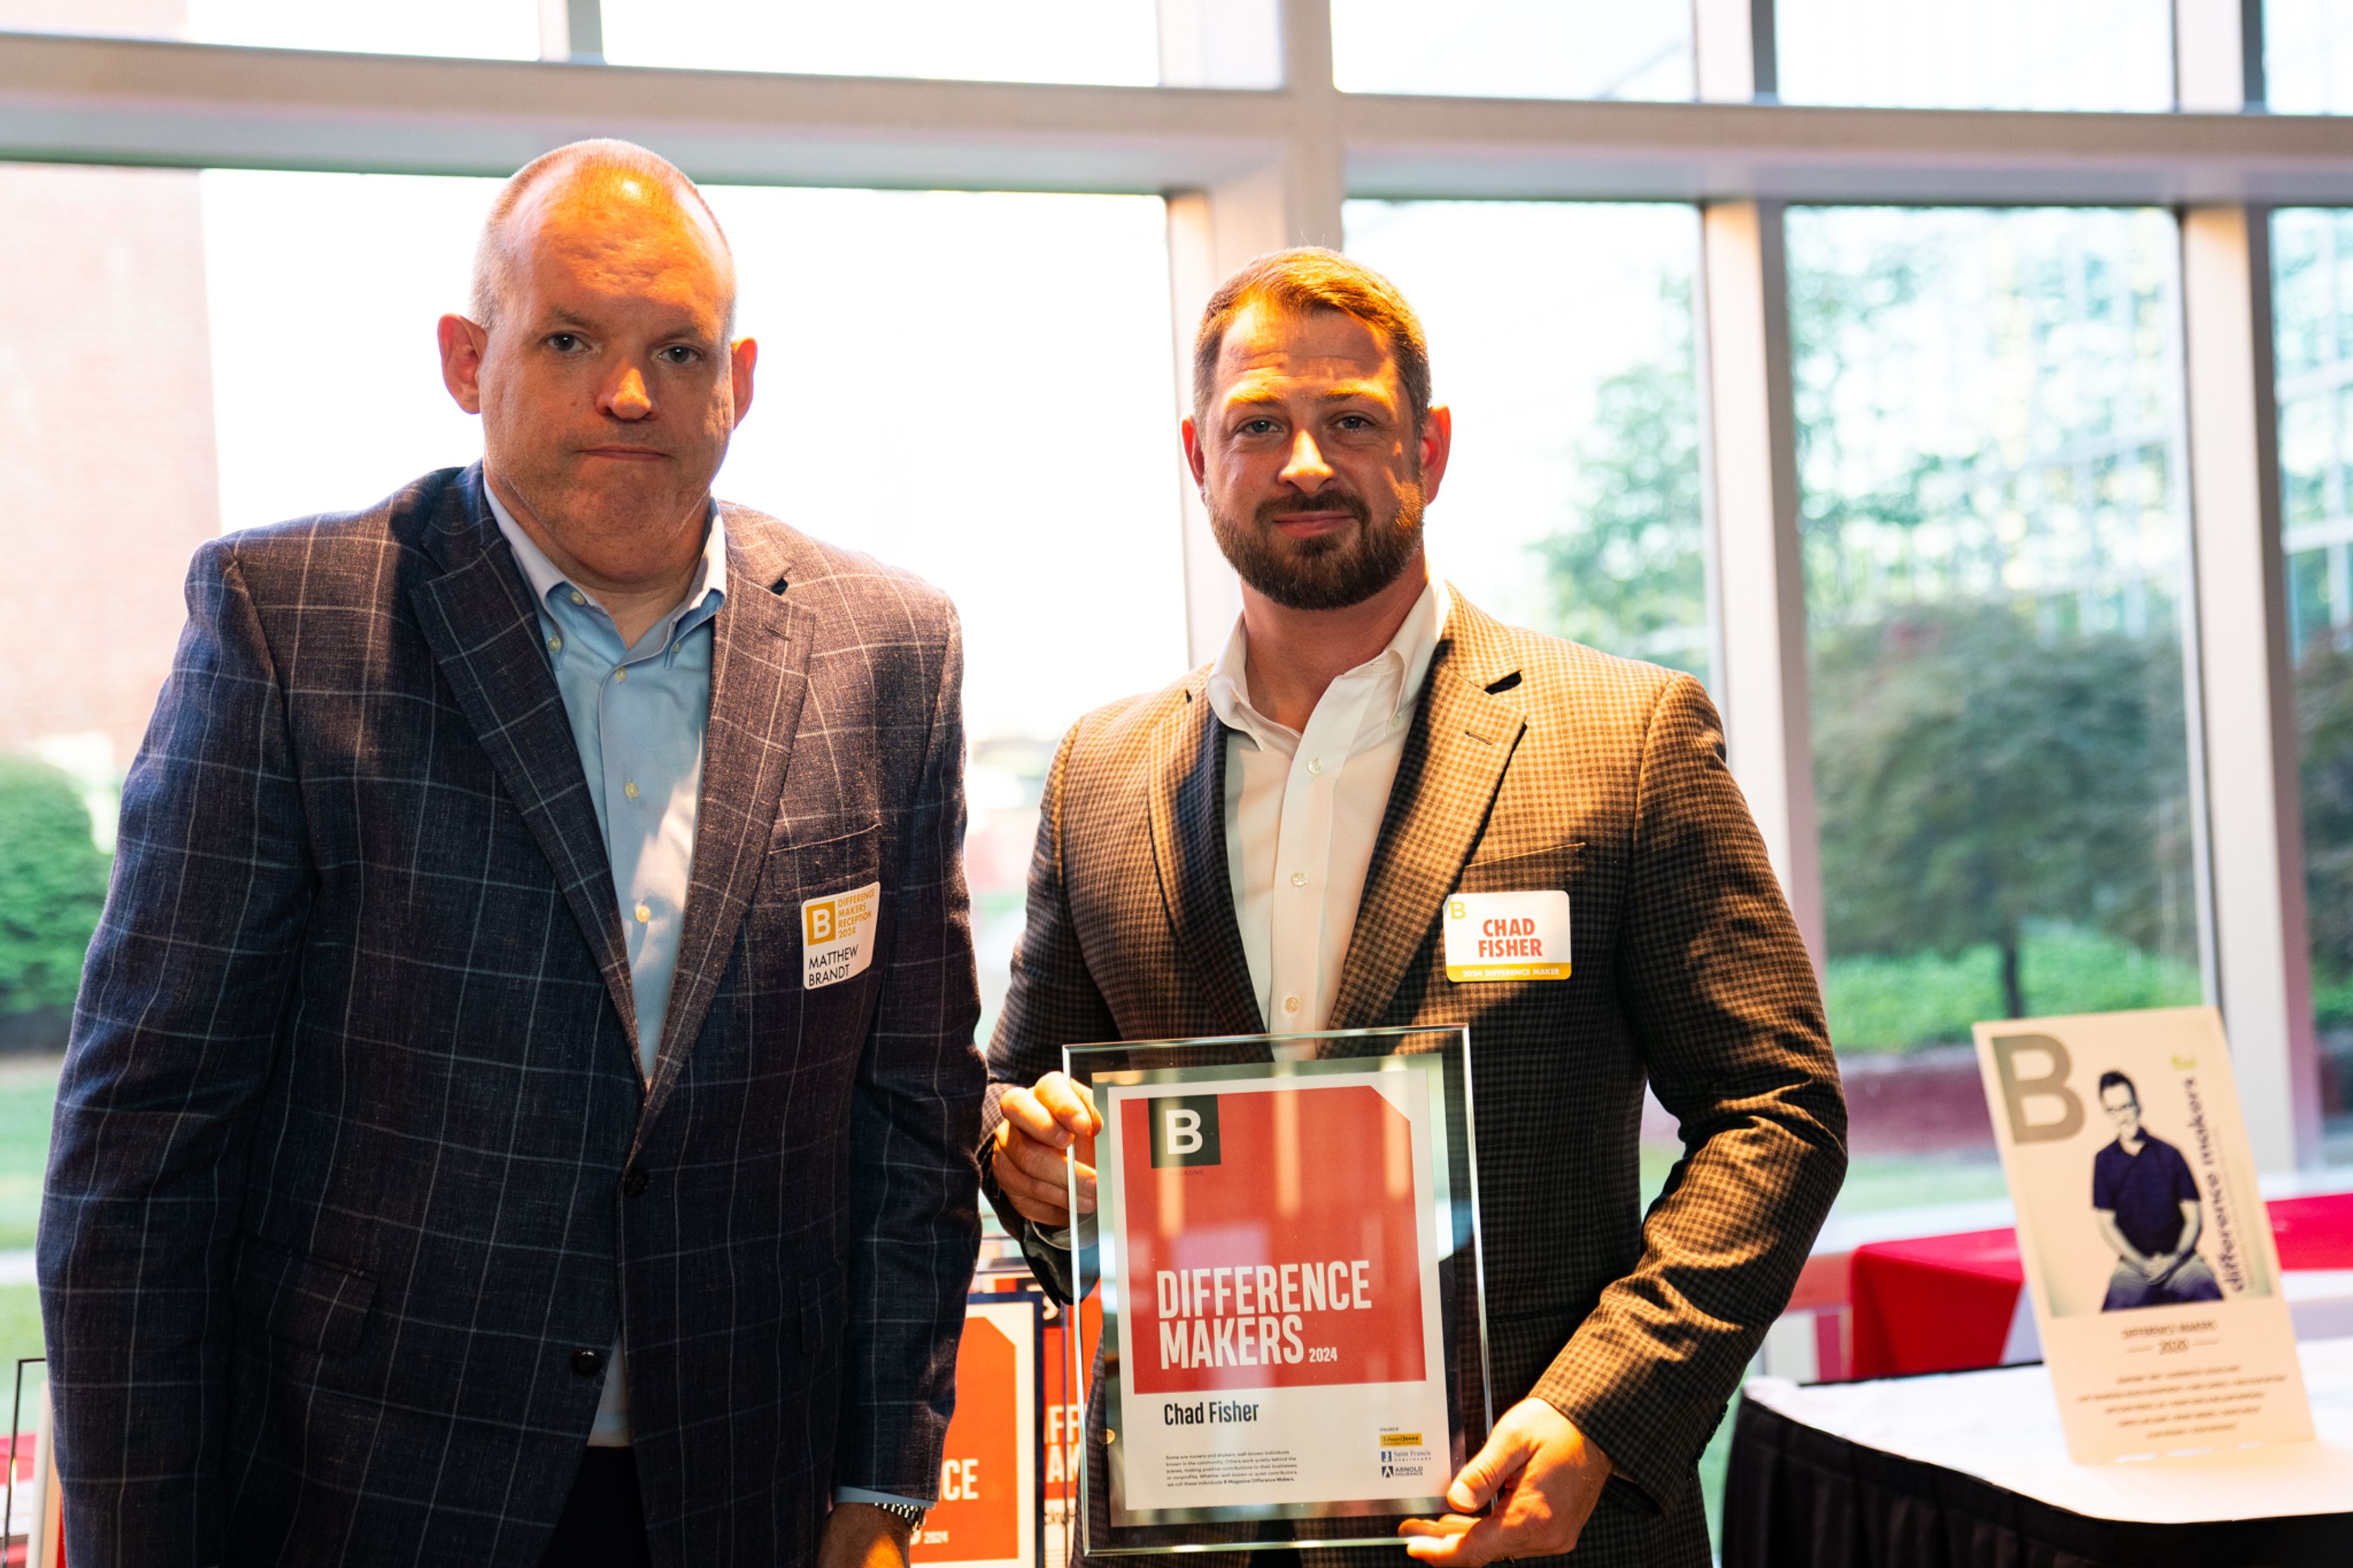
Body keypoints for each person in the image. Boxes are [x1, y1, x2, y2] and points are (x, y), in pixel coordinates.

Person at [38, 140, 982, 1568]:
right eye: (568, 338)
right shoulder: (289, 628)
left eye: (677, 348)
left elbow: (911, 1115)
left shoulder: (885, 652)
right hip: (367, 1490)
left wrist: (883, 1472)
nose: (630, 392)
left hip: (746, 1493)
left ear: (738, 377)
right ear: (465, 357)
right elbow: (144, 1145)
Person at [981, 249, 1847, 1567]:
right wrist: (1035, 1169)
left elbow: (1775, 1113)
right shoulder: (1098, 775)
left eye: (1353, 421)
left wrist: (1595, 1414)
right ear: (1197, 454)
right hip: (1206, 1517)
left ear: (1428, 448)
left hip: (1533, 1521)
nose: (1305, 462)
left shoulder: (1625, 738)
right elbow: (1022, 1105)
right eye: (1258, 423)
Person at [2093, 1070, 2224, 1311]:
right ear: (2106, 1114)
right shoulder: (2103, 1161)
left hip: (2182, 1260)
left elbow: (2194, 1218)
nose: (2122, 1117)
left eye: (2126, 1107)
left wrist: (2173, 1260)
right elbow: (2106, 1225)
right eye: (2113, 1111)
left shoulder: (2170, 1154)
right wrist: (2141, 1263)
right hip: (2133, 1266)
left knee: (2210, 1296)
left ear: (2138, 1106)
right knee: (2113, 1313)